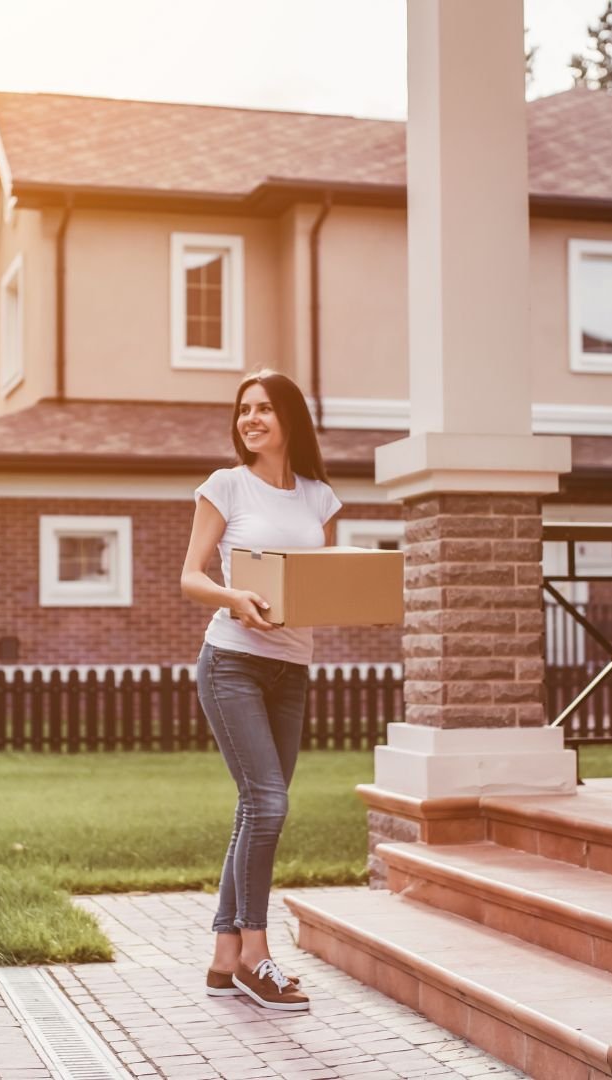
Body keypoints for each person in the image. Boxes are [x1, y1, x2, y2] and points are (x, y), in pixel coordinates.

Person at [178, 370, 339, 1012]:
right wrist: (232, 596)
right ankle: (255, 954)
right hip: (233, 662)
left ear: (290, 420)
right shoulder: (226, 486)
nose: (250, 419)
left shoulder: (319, 498)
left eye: (264, 409)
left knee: (257, 808)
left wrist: (360, 604)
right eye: (244, 410)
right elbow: (190, 576)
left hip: (291, 669)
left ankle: (223, 959)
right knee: (268, 805)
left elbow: (321, 584)